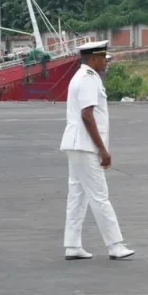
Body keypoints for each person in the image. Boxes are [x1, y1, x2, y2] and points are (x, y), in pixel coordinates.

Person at [60, 40, 135, 261]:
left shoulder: (80, 77)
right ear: (93, 58)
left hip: (76, 144)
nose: (106, 62)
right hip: (85, 145)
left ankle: (72, 245)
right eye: (103, 58)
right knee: (99, 195)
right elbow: (87, 115)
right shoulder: (89, 79)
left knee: (78, 195)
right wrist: (102, 149)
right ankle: (114, 244)